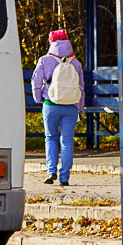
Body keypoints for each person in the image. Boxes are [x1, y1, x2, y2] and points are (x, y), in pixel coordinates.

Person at [31, 28, 85, 186]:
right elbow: (81, 88)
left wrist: (38, 99)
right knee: (67, 142)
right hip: (70, 107)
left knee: (50, 138)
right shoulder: (76, 62)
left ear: (51, 42)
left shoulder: (44, 60)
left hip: (50, 105)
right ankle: (64, 177)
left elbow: (35, 82)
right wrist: (80, 108)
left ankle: (51, 171)